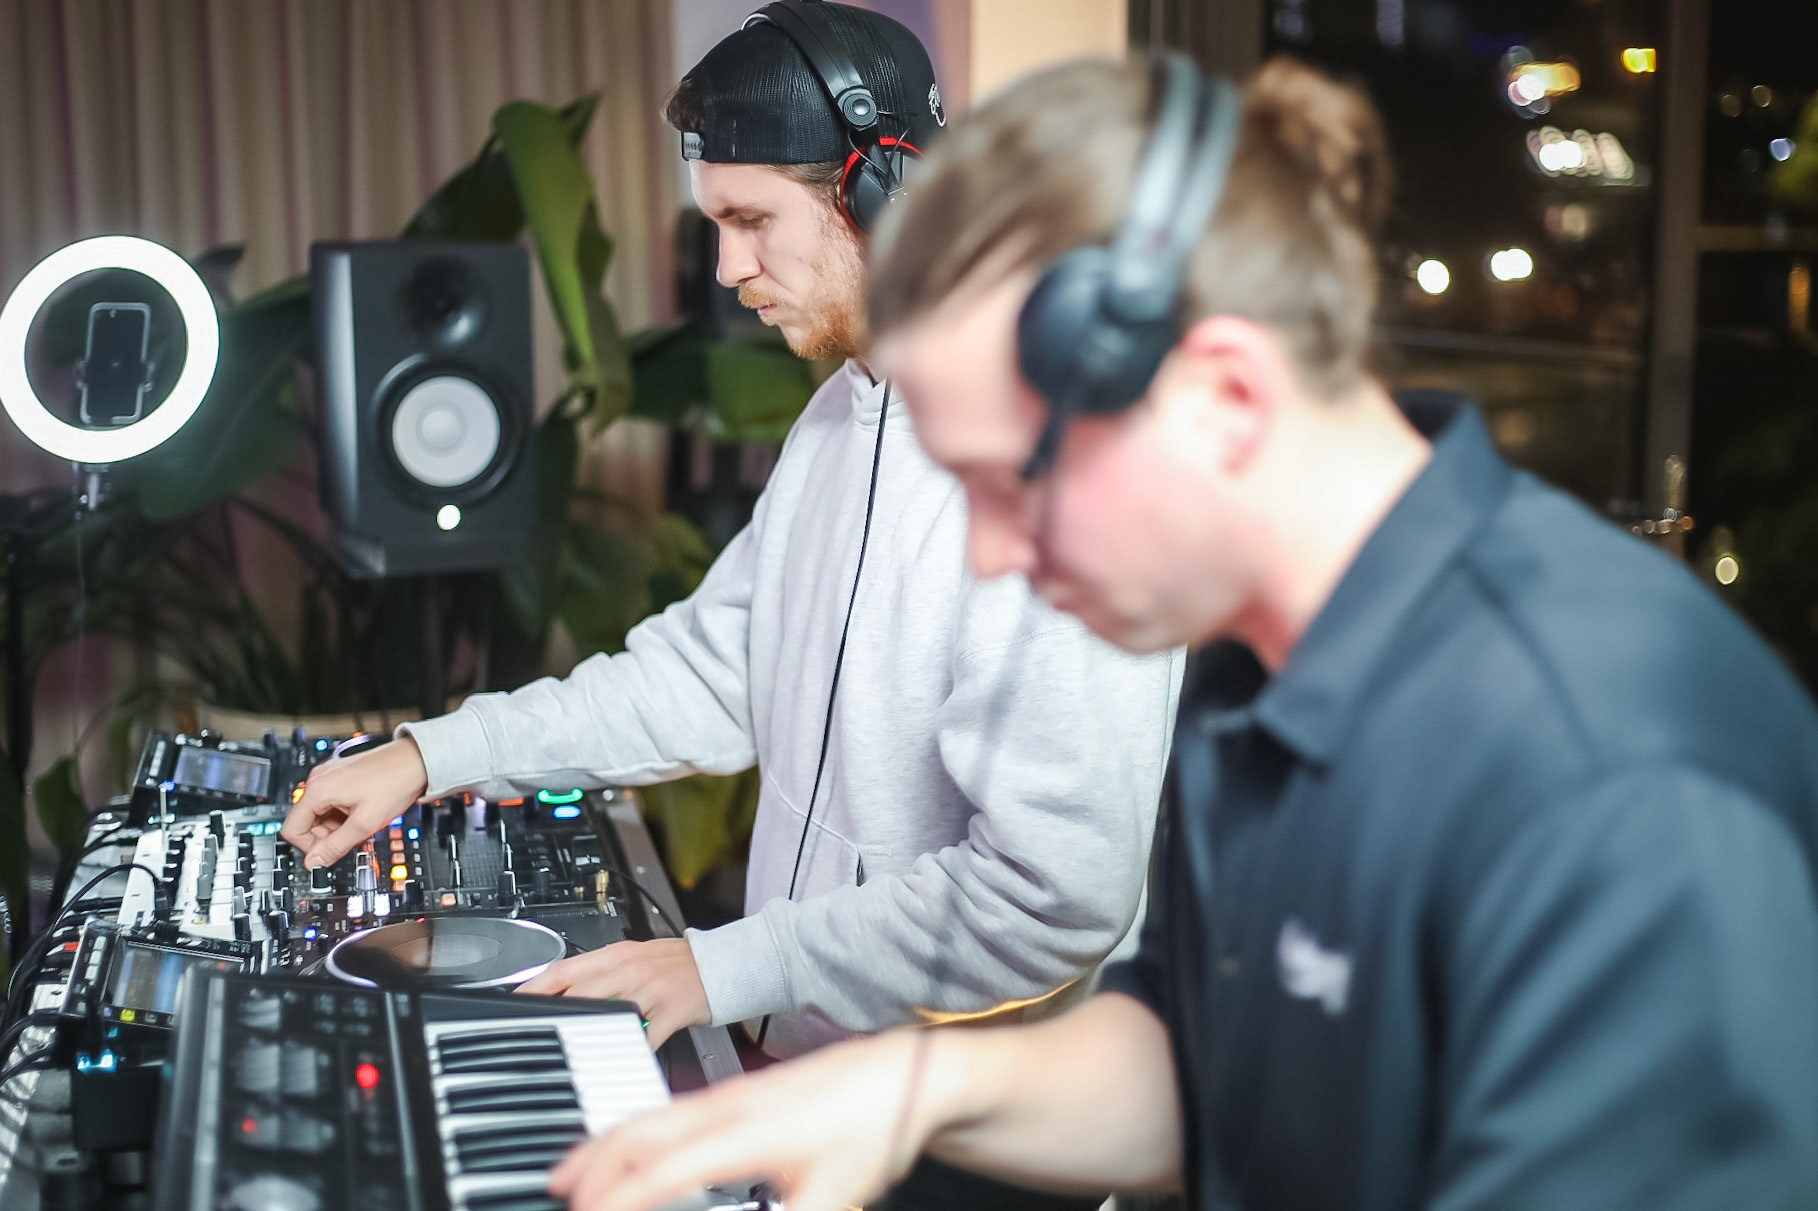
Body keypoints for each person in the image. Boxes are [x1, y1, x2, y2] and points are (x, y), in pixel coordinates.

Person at [543, 52, 1818, 1211]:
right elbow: (1199, 1067)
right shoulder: (1251, 667)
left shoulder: (1614, 782)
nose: (993, 555)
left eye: (1016, 485)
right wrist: (909, 1091)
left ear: (1225, 396)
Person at [282, 7, 1181, 1210]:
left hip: (971, 1144)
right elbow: (709, 673)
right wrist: (433, 754)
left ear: (886, 197)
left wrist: (727, 964)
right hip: (807, 1070)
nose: (725, 270)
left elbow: (1052, 894)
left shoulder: (1058, 468)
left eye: (752, 220)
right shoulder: (838, 419)